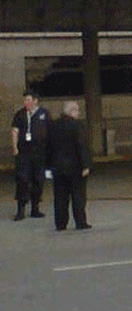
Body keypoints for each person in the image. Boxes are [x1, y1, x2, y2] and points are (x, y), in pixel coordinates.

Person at [47, 101, 92, 231]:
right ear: (72, 111)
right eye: (77, 110)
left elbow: (48, 147)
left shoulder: (53, 126)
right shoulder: (77, 126)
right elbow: (81, 146)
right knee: (78, 196)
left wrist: (49, 165)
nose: (78, 113)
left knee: (60, 197)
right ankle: (80, 222)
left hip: (58, 167)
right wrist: (86, 165)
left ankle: (61, 223)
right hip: (75, 167)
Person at [11, 90, 51, 220]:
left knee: (38, 181)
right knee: (22, 180)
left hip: (40, 153)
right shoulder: (20, 115)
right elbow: (15, 131)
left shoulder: (44, 114)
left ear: (35, 100)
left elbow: (50, 132)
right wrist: (15, 147)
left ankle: (35, 208)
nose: (26, 103)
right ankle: (21, 209)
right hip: (24, 153)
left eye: (28, 100)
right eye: (24, 100)